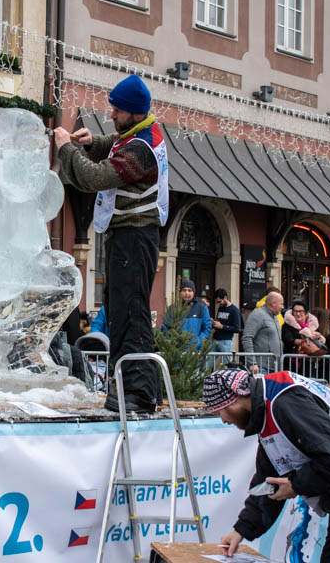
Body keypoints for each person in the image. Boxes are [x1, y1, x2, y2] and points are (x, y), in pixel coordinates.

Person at [53, 73, 168, 413]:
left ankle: (139, 393)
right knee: (120, 313)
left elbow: (94, 178)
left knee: (130, 316)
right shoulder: (140, 131)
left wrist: (67, 149)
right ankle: (133, 389)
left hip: (135, 238)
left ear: (134, 112)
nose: (112, 116)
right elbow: (115, 145)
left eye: (117, 111)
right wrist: (92, 143)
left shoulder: (141, 150)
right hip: (128, 237)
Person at [204, 368, 330, 563]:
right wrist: (241, 531)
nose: (223, 419)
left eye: (220, 410)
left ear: (236, 399)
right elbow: (269, 481)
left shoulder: (284, 402)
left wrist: (296, 485)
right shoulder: (266, 412)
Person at [241, 291, 284, 373]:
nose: (282, 307)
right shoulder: (257, 315)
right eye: (281, 304)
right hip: (261, 367)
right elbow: (247, 338)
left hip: (274, 367)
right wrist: (252, 363)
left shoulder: (275, 317)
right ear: (273, 303)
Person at [163, 279, 212, 350]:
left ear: (193, 292)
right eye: (184, 290)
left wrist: (197, 342)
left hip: (195, 353)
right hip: (176, 352)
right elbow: (165, 328)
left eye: (189, 290)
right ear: (180, 292)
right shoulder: (172, 309)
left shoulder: (202, 308)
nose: (186, 293)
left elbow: (207, 329)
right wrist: (172, 343)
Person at [212, 288, 241, 355]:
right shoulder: (221, 308)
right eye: (217, 302)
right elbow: (220, 321)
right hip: (215, 339)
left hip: (226, 341)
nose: (219, 304)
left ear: (225, 298)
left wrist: (222, 326)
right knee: (208, 362)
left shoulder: (234, 310)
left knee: (227, 364)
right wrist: (214, 322)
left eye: (219, 302)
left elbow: (237, 329)